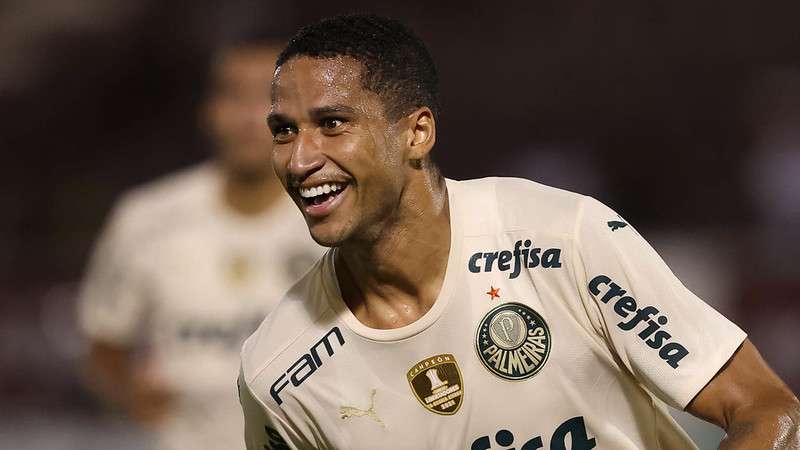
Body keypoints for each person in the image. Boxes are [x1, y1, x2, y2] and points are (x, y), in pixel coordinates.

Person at [238, 14, 800, 450]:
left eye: (332, 124)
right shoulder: (278, 371)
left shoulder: (562, 238)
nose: (299, 158)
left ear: (417, 132)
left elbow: (768, 411)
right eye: (284, 132)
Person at [78, 36, 323, 450]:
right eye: (233, 95)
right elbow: (104, 344)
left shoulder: (336, 219)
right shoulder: (147, 218)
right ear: (209, 109)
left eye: (268, 97)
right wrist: (128, 394)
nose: (249, 117)